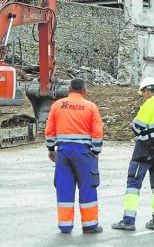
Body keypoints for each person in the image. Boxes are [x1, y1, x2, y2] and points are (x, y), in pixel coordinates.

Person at [112, 77, 154, 232]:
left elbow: (137, 127)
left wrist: (132, 125)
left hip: (145, 151)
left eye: (143, 93)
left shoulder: (149, 104)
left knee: (133, 185)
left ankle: (128, 220)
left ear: (147, 91)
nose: (143, 95)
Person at [45, 78, 104, 234]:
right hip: (84, 153)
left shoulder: (57, 105)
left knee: (64, 186)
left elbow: (49, 130)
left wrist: (51, 148)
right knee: (87, 187)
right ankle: (90, 225)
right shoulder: (91, 107)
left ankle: (65, 226)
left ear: (69, 90)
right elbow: (97, 133)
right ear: (84, 91)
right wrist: (96, 152)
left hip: (63, 152)